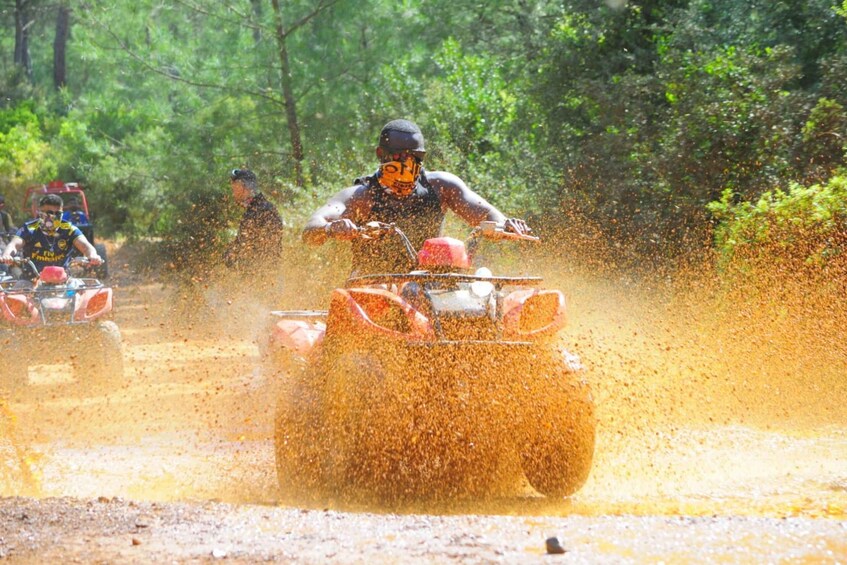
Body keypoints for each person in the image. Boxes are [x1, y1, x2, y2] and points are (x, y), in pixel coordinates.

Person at [302, 119, 532, 274]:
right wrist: (331, 228)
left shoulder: (442, 186)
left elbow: (486, 213)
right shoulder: (361, 196)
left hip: (432, 283)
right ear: (381, 154)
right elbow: (311, 229)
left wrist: (505, 225)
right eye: (400, 157)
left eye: (415, 157)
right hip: (374, 288)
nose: (408, 164)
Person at [0, 194, 103, 275]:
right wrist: (7, 255)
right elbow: (14, 244)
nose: (52, 217)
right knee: (16, 299)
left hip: (64, 281)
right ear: (40, 212)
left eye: (57, 213)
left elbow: (85, 246)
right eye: (49, 213)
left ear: (62, 212)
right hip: (31, 280)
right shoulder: (29, 228)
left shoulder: (69, 229)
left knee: (83, 296)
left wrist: (93, 255)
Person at [224, 168, 285, 271]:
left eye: (234, 188)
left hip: (263, 275)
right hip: (265, 272)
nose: (233, 193)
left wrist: (231, 254)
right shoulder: (261, 207)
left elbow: (246, 243)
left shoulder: (259, 211)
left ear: (241, 186)